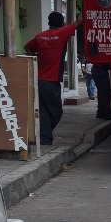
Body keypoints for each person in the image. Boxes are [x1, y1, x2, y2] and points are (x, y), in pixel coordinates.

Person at [24, 12, 81, 147]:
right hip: (51, 80)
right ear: (62, 24)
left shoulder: (40, 36)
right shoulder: (61, 33)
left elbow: (27, 47)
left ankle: (44, 139)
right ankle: (45, 136)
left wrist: (36, 57)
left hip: (39, 79)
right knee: (56, 111)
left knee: (43, 111)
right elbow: (79, 22)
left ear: (49, 22)